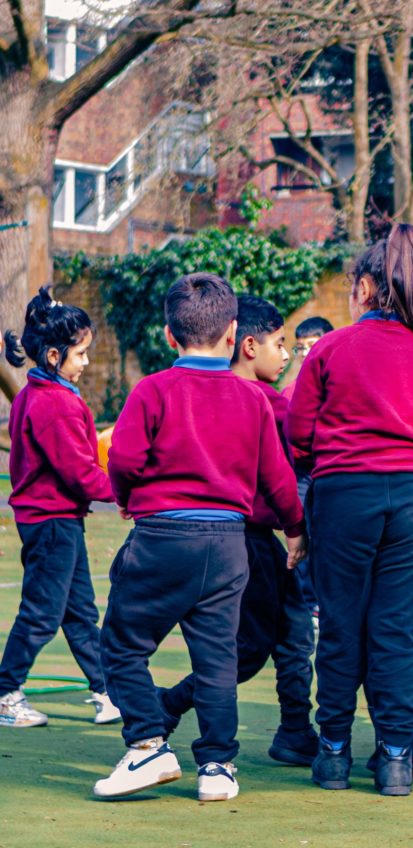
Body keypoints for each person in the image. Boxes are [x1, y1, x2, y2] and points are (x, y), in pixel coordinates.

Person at [95, 273, 305, 802]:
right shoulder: (254, 400)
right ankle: (217, 768)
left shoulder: (152, 390)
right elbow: (276, 478)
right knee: (217, 660)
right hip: (230, 542)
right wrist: (297, 527)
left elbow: (122, 460)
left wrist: (125, 497)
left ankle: (147, 743)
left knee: (121, 645)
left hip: (163, 536)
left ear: (169, 335)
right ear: (234, 334)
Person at [287, 225, 413, 797]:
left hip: (346, 492)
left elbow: (299, 437)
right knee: (396, 629)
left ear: (365, 288)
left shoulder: (330, 348)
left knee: (342, 625)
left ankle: (334, 752)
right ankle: (394, 757)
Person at [158, 296, 318, 767]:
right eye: (280, 344)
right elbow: (289, 471)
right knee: (246, 650)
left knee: (292, 636)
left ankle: (294, 729)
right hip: (248, 542)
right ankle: (168, 705)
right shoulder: (271, 407)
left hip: (252, 542)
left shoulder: (211, 396)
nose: (287, 355)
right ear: (248, 345)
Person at [0, 290, 120, 729]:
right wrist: (126, 492)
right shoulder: (56, 404)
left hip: (57, 520)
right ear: (54, 355)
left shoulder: (40, 393)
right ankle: (5, 692)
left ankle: (106, 690)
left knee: (80, 611)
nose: (87, 361)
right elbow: (81, 474)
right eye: (82, 353)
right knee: (42, 614)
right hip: (51, 523)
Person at [283, 315, 333, 621]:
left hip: (331, 469)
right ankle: (305, 603)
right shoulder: (291, 390)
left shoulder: (342, 383)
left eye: (312, 347)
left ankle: (323, 603)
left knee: (330, 538)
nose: (305, 355)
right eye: (300, 349)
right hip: (302, 472)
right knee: (300, 534)